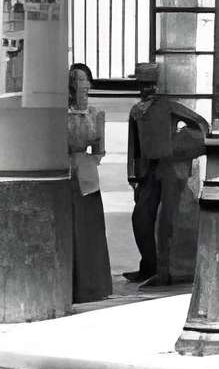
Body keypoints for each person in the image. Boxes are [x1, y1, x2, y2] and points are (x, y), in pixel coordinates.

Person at [125, 61, 209, 287]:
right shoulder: (136, 112)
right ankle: (148, 266)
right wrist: (133, 178)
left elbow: (201, 124)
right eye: (142, 85)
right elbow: (134, 148)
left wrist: (180, 146)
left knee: (166, 220)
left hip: (170, 169)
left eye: (149, 84)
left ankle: (165, 270)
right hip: (149, 172)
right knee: (141, 218)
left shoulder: (169, 106)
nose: (145, 89)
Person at [66, 62, 113, 303]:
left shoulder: (96, 114)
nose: (85, 85)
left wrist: (86, 161)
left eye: (86, 81)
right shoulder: (60, 114)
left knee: (90, 232)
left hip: (86, 177)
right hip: (65, 175)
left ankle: (94, 285)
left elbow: (98, 150)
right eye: (80, 81)